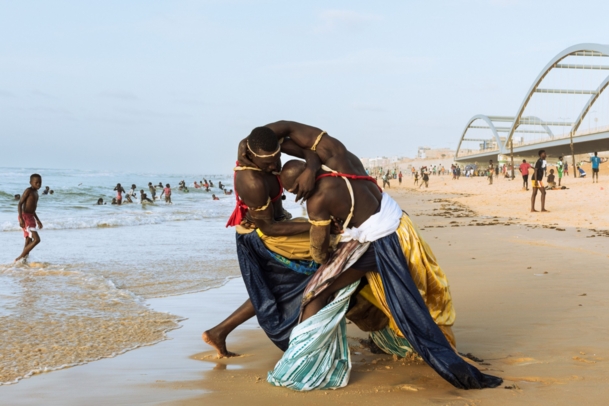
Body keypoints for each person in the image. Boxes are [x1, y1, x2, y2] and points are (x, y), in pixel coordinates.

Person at [268, 160, 502, 391]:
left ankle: (303, 365)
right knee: (395, 300)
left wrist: (322, 256)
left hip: (377, 246)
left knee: (315, 292)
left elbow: (318, 249)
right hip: (399, 231)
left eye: (295, 189)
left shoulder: (316, 200)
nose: (296, 195)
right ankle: (392, 342)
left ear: (304, 177)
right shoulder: (342, 169)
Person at [15, 174, 44, 263]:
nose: (38, 184)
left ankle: (24, 260)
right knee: (37, 239)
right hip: (25, 217)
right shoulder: (28, 191)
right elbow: (20, 204)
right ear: (31, 182)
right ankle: (19, 258)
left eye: (40, 183)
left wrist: (38, 220)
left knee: (28, 240)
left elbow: (33, 209)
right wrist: (21, 219)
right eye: (36, 182)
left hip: (31, 217)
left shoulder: (36, 193)